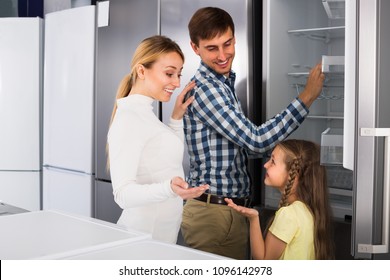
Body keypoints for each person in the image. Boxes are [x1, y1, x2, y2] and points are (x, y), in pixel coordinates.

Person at [180, 7, 325, 259]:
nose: (223, 55)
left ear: (235, 39)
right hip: (214, 214)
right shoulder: (207, 90)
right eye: (212, 48)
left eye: (227, 44)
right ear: (195, 48)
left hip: (227, 211)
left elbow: (247, 146)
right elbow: (256, 142)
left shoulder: (223, 85)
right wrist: (307, 98)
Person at [107, 35, 209, 244]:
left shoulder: (144, 114)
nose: (177, 82)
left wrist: (176, 118)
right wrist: (169, 189)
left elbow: (167, 159)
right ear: (142, 71)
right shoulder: (129, 118)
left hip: (158, 240)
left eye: (179, 74)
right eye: (170, 73)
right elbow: (123, 194)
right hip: (140, 242)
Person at [225, 139, 335, 260]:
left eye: (273, 161)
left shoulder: (288, 214)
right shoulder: (308, 210)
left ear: (294, 173)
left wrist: (253, 219)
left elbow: (264, 262)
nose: (265, 165)